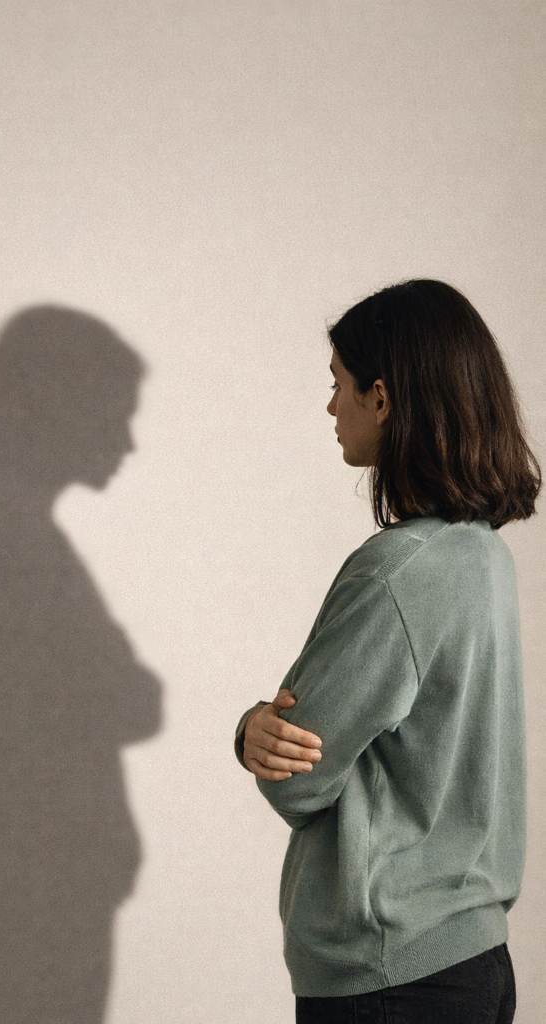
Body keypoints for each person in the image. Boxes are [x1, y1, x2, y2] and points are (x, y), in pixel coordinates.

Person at [234, 279, 540, 1024]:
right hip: (472, 963)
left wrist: (248, 731)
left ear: (383, 397)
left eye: (337, 384)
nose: (330, 406)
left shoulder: (394, 574)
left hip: (388, 978)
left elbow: (295, 781)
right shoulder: (480, 556)